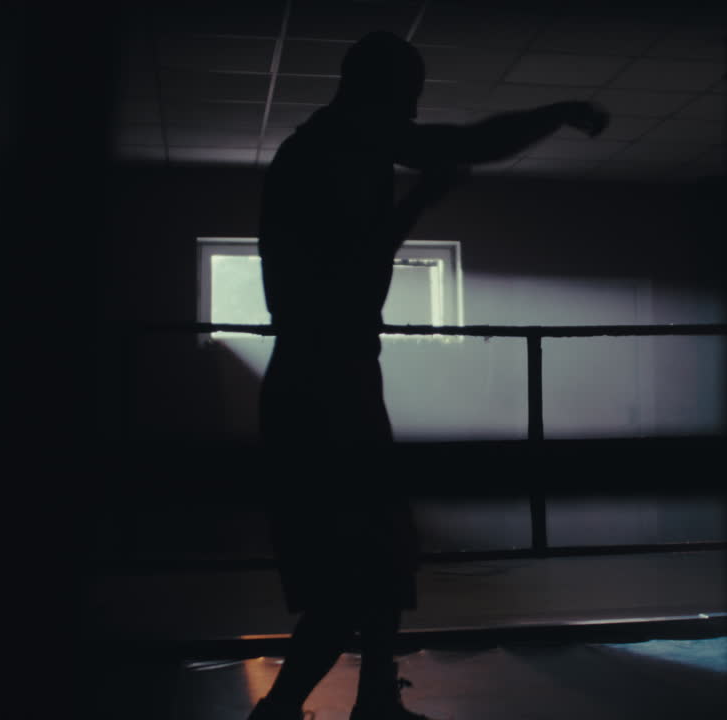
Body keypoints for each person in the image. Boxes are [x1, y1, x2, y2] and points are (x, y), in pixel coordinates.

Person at [250, 31, 609, 720]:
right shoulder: (334, 152)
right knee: (352, 574)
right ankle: (289, 710)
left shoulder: (334, 147)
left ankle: (370, 702)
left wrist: (551, 115)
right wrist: (421, 201)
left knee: (381, 562)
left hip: (330, 374)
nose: (412, 118)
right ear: (376, 93)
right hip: (325, 381)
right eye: (406, 101)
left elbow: (454, 152)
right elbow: (355, 263)